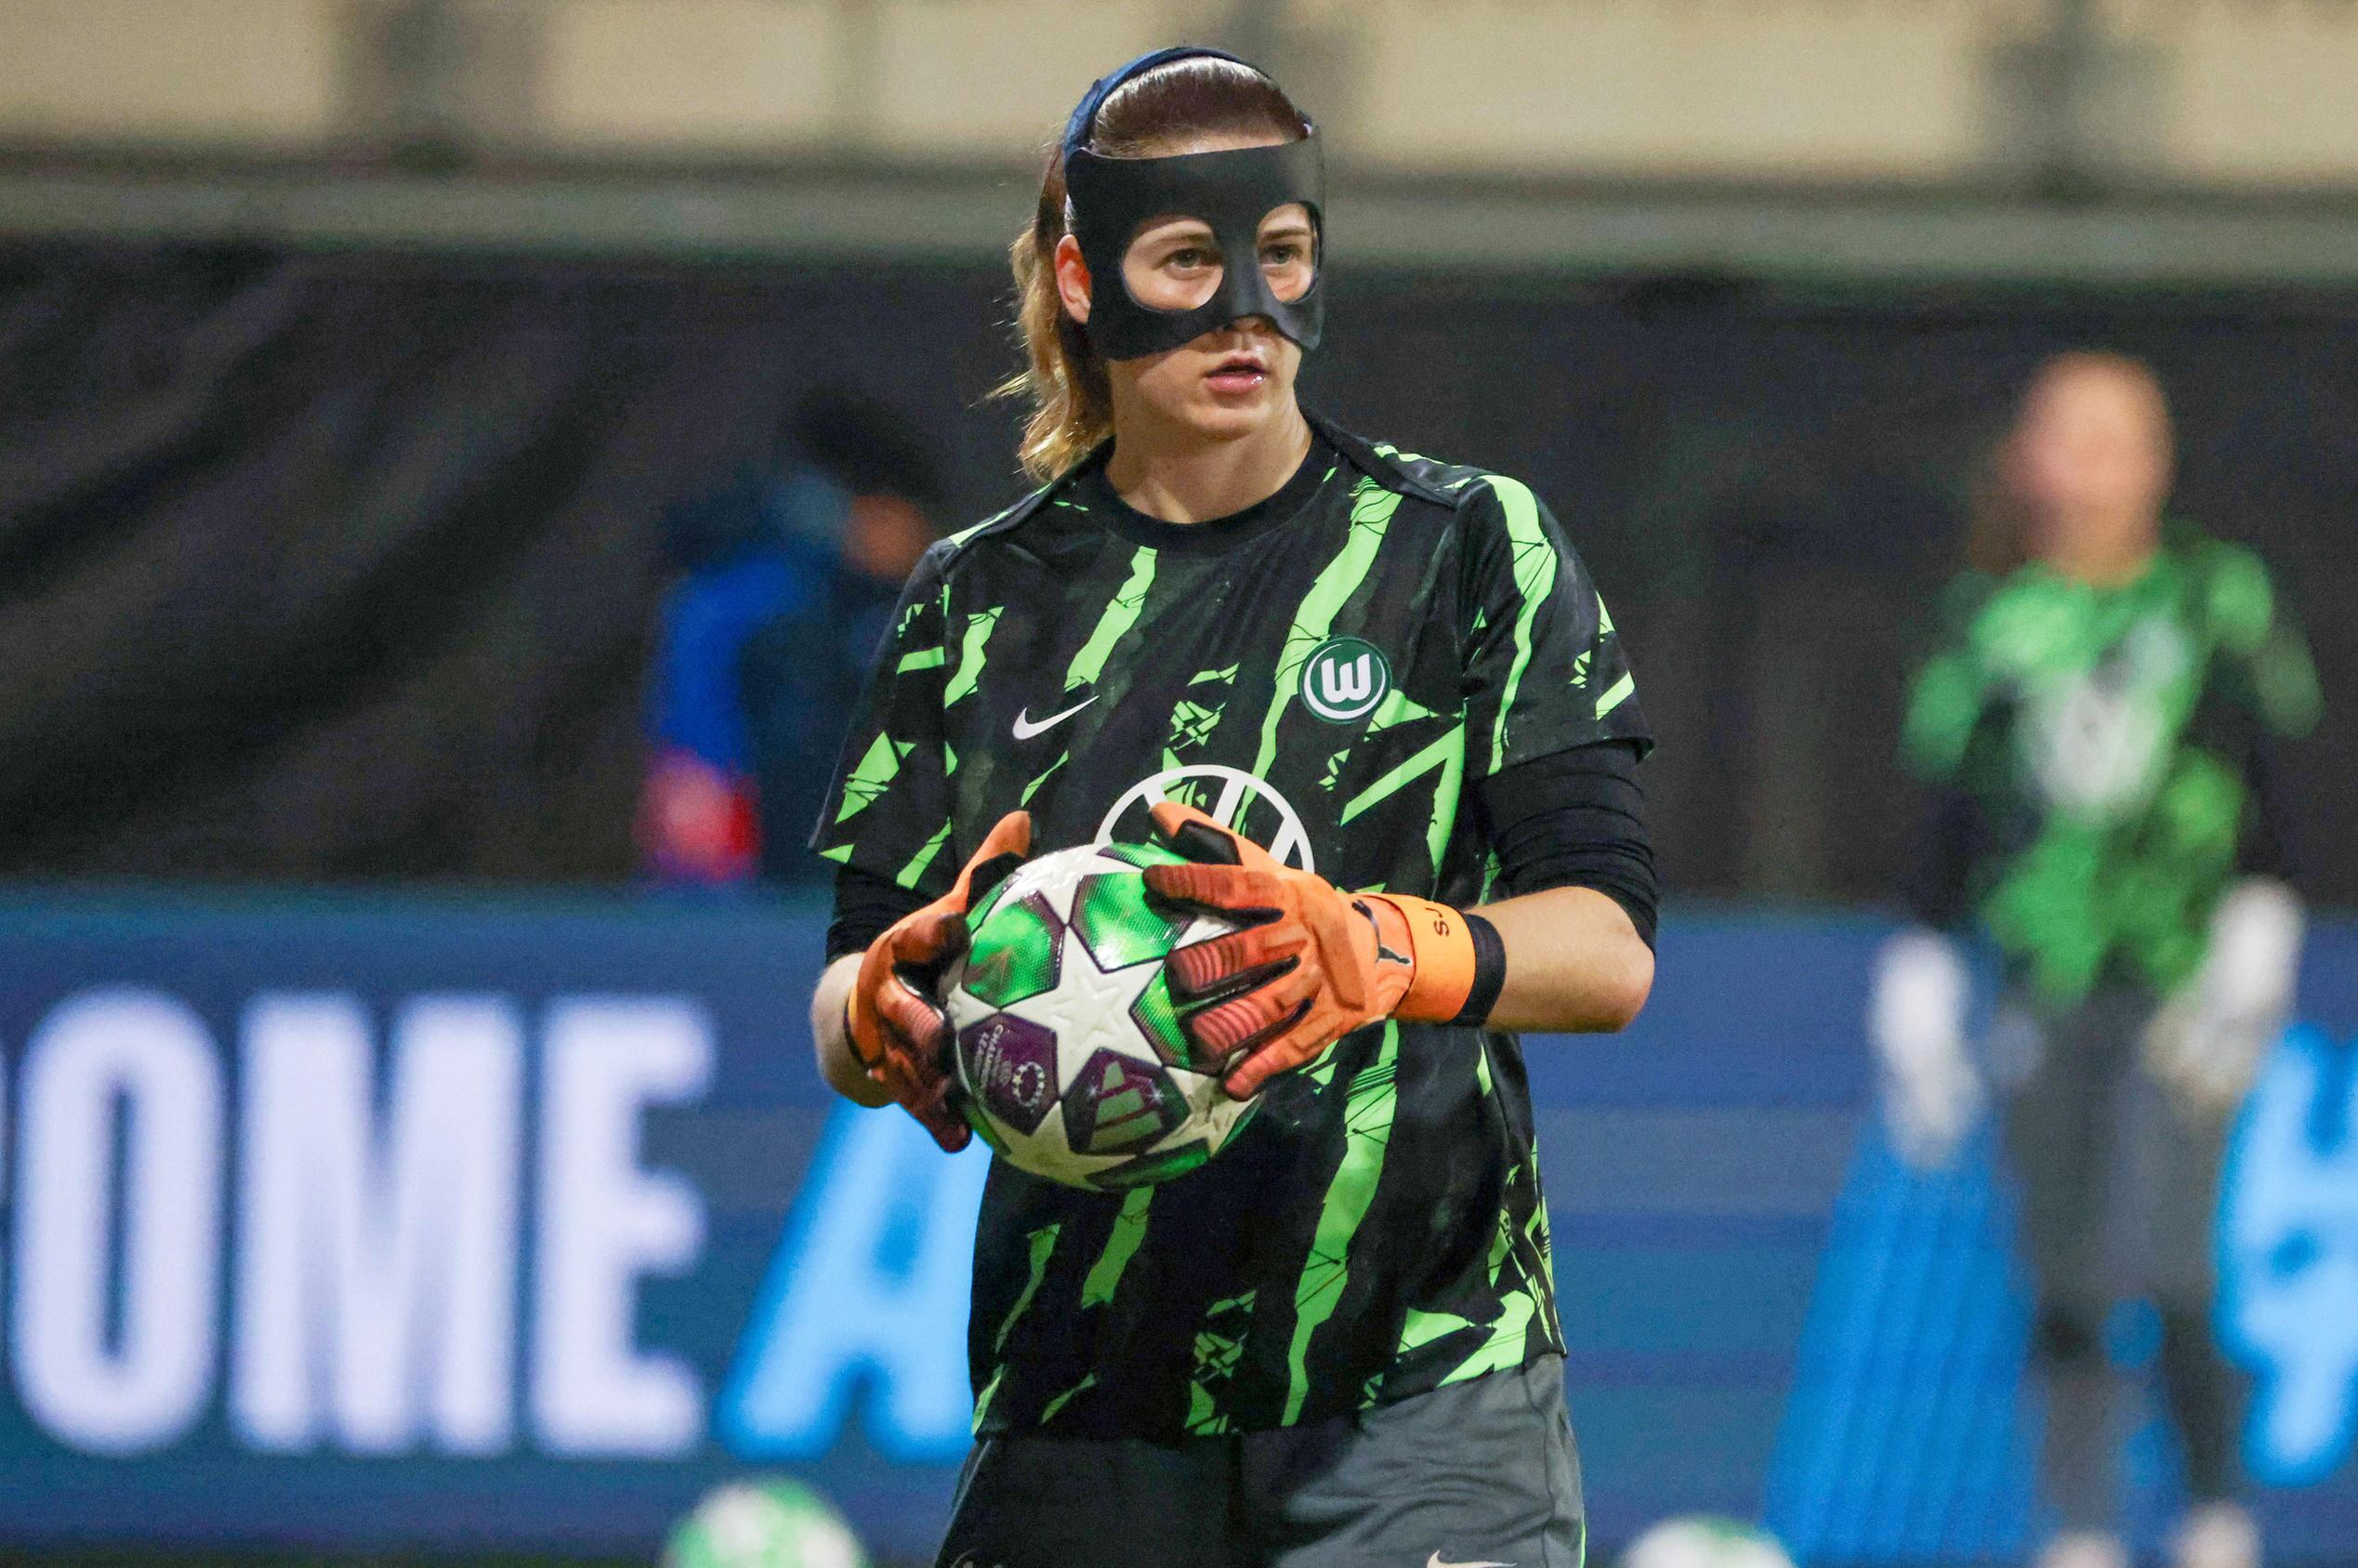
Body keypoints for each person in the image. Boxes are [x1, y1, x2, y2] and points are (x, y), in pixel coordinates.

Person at [804, 48, 1656, 1568]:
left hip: (1423, 1386)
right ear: (1084, 279)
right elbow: (852, 978)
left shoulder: (1468, 546)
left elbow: (1609, 946)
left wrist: (1378, 950)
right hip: (1082, 1393)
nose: (1246, 310)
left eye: (1283, 252)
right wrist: (877, 1012)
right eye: (1189, 259)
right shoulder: (973, 602)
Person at [1871, 353, 2320, 1568]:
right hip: (2043, 982)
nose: (2089, 469)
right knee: (2063, 1265)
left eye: (2114, 441)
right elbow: (1949, 813)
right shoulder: (1988, 621)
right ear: (2026, 460)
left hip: (2182, 984)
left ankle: (2216, 1513)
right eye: (2066, 439)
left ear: (2158, 463)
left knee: (2169, 1255)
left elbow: (2273, 776)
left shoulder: (2218, 599)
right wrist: (1920, 972)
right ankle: (2080, 1529)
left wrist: (2260, 930)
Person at [641, 391, 946, 887]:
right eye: (900, 517)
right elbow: (695, 794)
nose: (916, 541)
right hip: (755, 878)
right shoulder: (749, 602)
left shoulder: (874, 605)